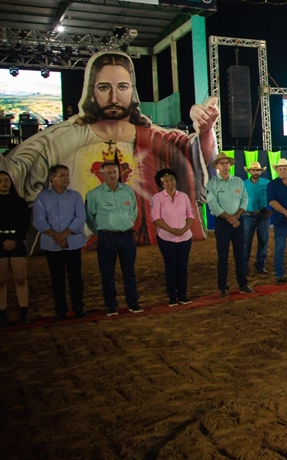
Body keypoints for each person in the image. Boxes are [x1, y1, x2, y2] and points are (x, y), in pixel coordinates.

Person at [0, 51, 217, 246]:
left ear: (132, 91)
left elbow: (197, 158)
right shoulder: (57, 141)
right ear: (92, 91)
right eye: (104, 87)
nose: (114, 97)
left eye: (122, 87)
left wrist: (206, 131)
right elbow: (15, 170)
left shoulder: (160, 139)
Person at [85, 161, 142, 316]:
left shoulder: (127, 190)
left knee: (129, 272)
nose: (112, 175)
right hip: (106, 238)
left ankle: (133, 302)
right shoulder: (94, 194)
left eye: (115, 172)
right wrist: (100, 232)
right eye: (108, 172)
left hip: (127, 237)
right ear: (102, 174)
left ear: (119, 173)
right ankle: (111, 305)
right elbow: (89, 217)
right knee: (107, 273)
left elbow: (134, 211)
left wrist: (128, 223)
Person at [32, 165, 86, 320]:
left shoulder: (75, 196)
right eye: (62, 175)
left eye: (67, 175)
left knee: (75, 277)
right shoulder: (42, 197)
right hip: (52, 244)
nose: (66, 178)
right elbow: (39, 220)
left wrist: (64, 235)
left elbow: (80, 217)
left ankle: (78, 307)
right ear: (52, 178)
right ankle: (60, 309)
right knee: (57, 278)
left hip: (73, 243)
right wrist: (55, 236)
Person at [206, 152, 254, 297]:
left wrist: (237, 215)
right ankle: (222, 286)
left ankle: (243, 284)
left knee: (240, 254)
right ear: (217, 166)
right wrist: (229, 217)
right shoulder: (212, 183)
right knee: (223, 256)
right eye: (222, 163)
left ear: (230, 165)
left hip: (238, 220)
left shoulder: (238, 180)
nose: (225, 165)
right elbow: (213, 204)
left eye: (227, 163)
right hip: (223, 222)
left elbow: (245, 199)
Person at [150, 168, 194, 306]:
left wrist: (184, 229)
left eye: (172, 180)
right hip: (166, 238)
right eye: (166, 181)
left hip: (185, 237)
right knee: (171, 266)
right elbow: (156, 218)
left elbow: (190, 215)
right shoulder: (157, 198)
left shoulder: (184, 196)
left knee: (182, 266)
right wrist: (171, 230)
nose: (170, 183)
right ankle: (172, 296)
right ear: (162, 184)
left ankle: (182, 294)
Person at [0, 172, 30, 325]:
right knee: (1, 281)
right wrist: (3, 241)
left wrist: (14, 239)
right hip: (0, 244)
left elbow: (25, 223)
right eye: (0, 181)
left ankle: (23, 311)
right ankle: (2, 312)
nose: (4, 183)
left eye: (6, 180)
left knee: (20, 278)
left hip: (17, 242)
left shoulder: (19, 202)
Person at [242, 162, 271, 275]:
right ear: (249, 171)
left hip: (263, 215)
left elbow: (272, 197)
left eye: (257, 170)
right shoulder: (243, 184)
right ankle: (244, 266)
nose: (256, 172)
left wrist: (271, 210)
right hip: (248, 216)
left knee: (264, 241)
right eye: (253, 170)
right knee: (246, 242)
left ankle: (260, 265)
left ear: (260, 171)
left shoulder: (267, 183)